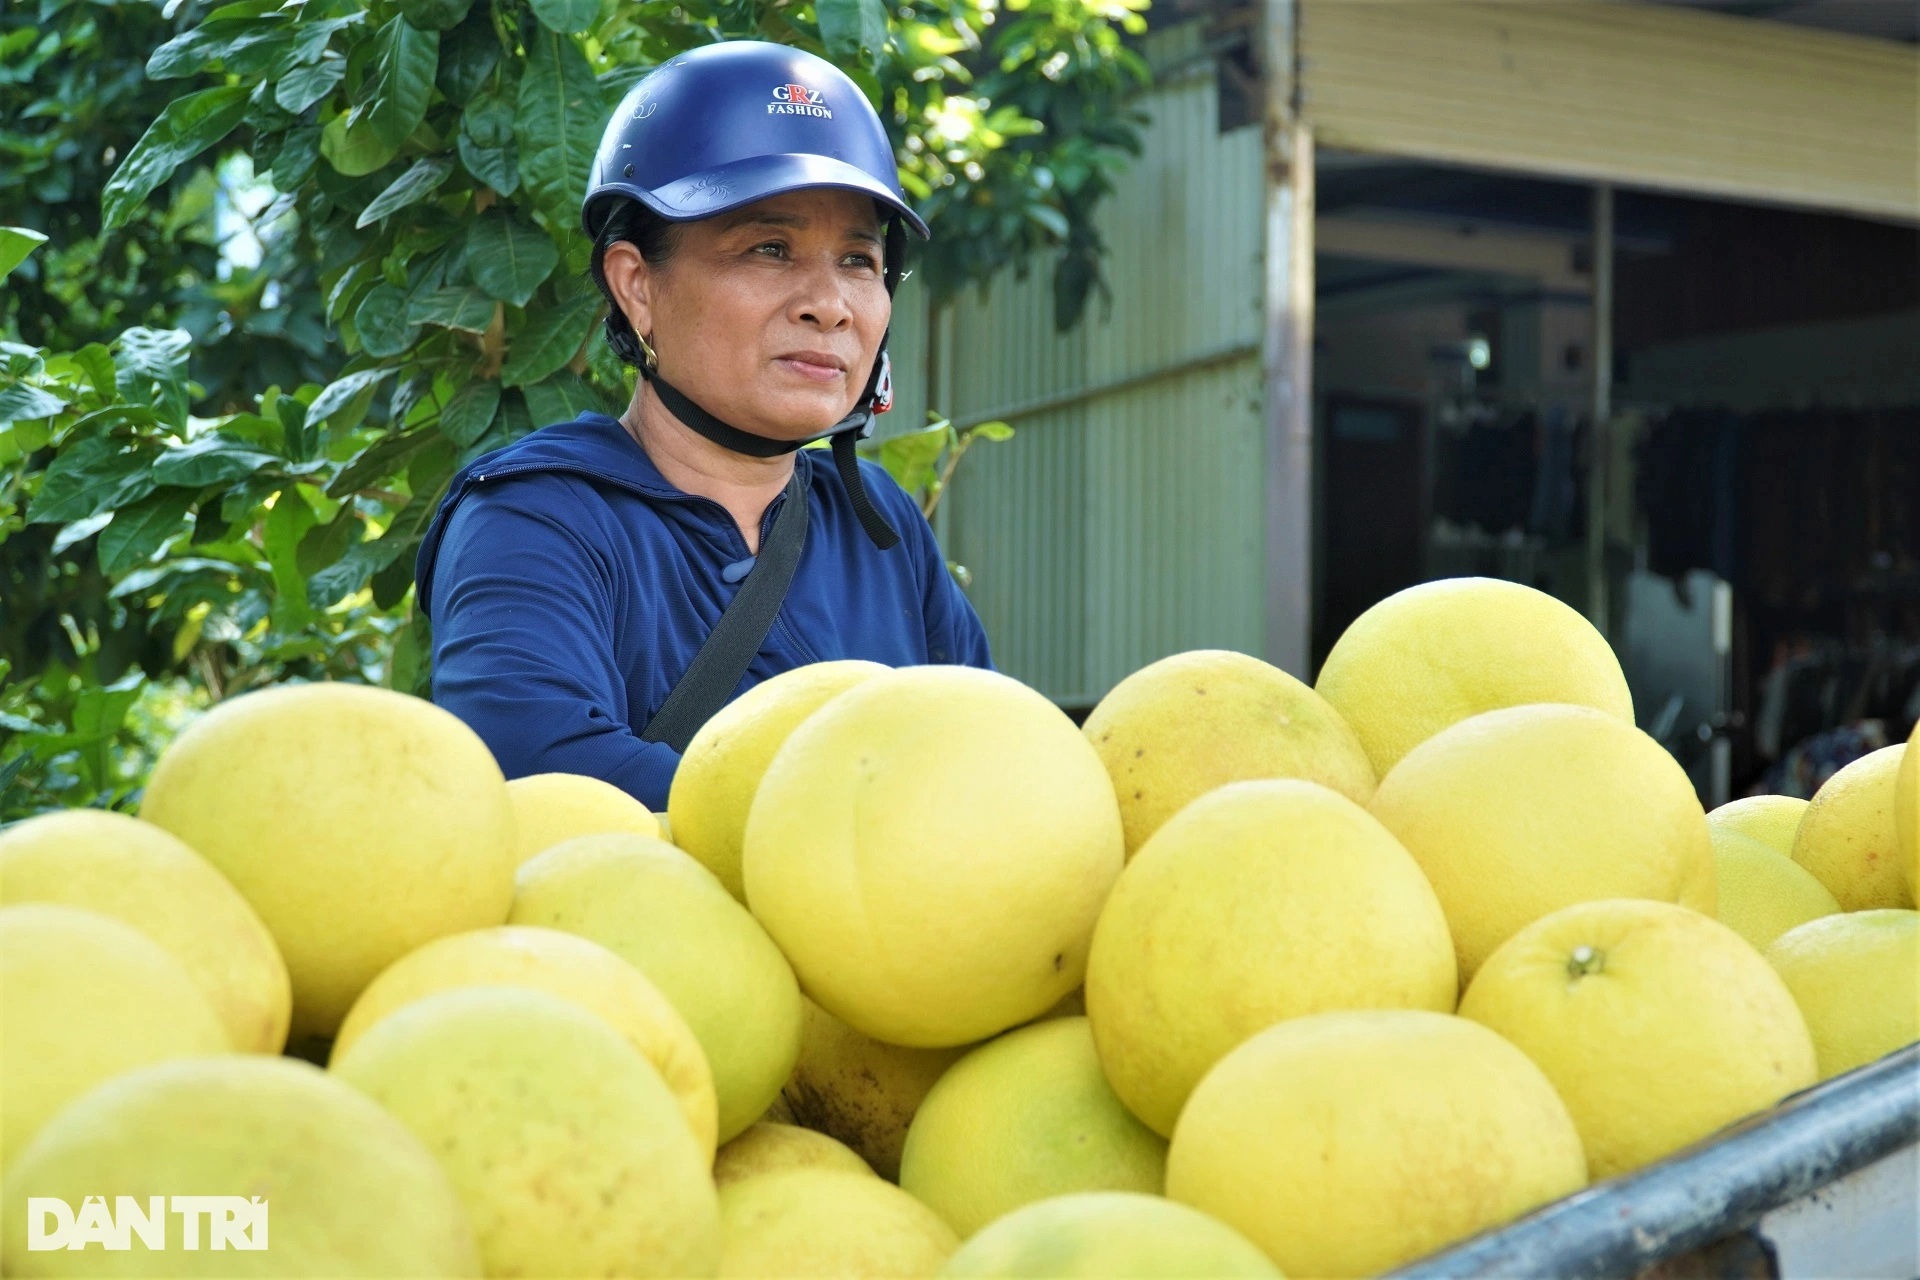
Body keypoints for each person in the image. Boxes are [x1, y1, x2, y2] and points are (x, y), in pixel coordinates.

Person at [414, 40, 994, 811]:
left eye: (859, 260)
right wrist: (856, 832)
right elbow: (541, 768)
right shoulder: (533, 517)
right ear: (637, 286)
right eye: (769, 248)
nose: (831, 304)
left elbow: (994, 759)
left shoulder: (881, 527)